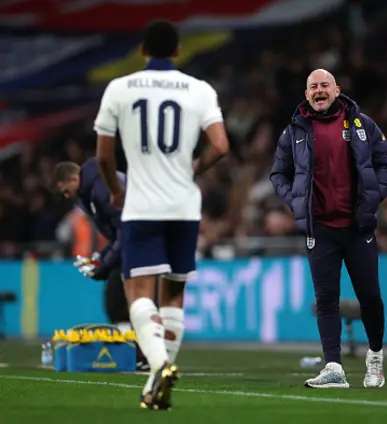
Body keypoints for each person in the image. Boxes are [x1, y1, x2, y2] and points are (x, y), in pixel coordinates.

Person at [93, 20, 230, 409]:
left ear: (142, 51)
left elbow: (104, 155)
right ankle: (160, 376)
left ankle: (157, 367)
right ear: (177, 51)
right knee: (174, 292)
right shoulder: (200, 90)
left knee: (137, 291)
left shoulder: (120, 88)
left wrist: (117, 191)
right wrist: (194, 168)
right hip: (184, 206)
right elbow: (221, 146)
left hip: (142, 204)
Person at [270, 69, 387, 389]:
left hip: (358, 227)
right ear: (307, 93)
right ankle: (334, 367)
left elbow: (385, 164)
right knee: (327, 299)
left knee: (370, 297)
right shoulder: (295, 130)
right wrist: (296, 201)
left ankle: (376, 357)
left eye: (325, 85)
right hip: (320, 228)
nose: (319, 91)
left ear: (337, 89)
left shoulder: (362, 124)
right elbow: (278, 174)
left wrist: (374, 197)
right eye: (313, 87)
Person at [53, 158, 150, 372]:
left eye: (66, 189)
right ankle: (138, 353)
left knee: (127, 300)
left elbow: (125, 229)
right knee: (120, 301)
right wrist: (100, 259)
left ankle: (146, 353)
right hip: (136, 240)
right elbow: (119, 233)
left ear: (74, 178)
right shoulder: (92, 192)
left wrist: (105, 264)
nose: (66, 195)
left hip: (142, 240)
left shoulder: (99, 190)